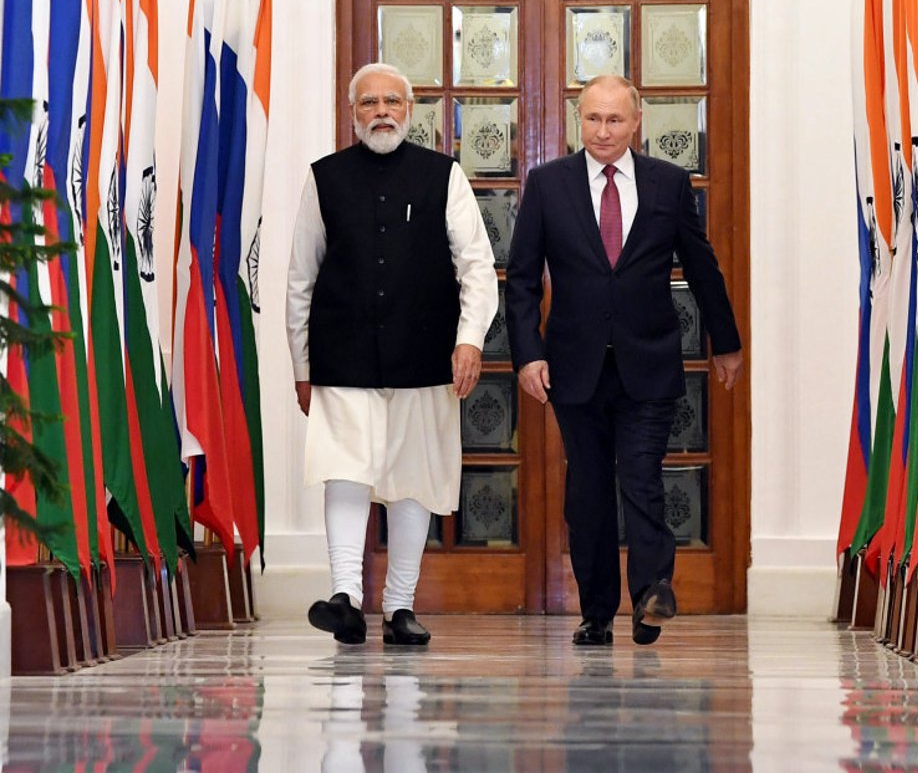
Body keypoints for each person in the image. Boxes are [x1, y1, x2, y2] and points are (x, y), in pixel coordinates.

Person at [505, 74, 743, 647]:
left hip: (649, 360)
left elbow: (702, 266)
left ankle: (652, 595)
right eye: (592, 119)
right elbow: (522, 279)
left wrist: (726, 342)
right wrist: (528, 355)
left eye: (614, 119)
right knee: (587, 491)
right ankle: (596, 613)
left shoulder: (668, 183)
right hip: (573, 366)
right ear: (578, 120)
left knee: (642, 478)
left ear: (637, 122)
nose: (603, 131)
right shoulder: (548, 184)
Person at [286, 62, 498, 646]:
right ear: (352, 113)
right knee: (344, 472)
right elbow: (301, 278)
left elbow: (477, 266)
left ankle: (400, 605)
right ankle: (345, 598)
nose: (381, 112)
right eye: (368, 103)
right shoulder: (324, 178)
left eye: (392, 102)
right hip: (342, 353)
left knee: (413, 480)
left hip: (424, 355)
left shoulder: (443, 175)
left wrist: (469, 339)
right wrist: (301, 366)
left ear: (409, 110)